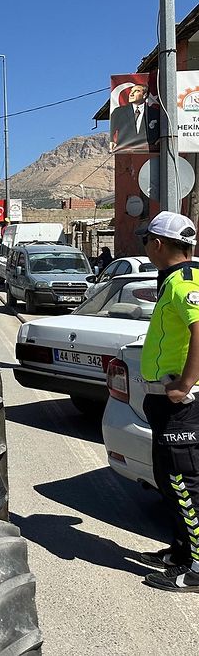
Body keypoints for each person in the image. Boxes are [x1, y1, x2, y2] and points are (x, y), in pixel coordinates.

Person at [134, 211, 199, 592]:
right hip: (165, 400)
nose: (146, 246)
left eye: (147, 240)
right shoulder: (175, 278)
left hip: (183, 403)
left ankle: (196, 567)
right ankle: (181, 551)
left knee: (185, 483)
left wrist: (186, 383)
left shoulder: (186, 281)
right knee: (168, 479)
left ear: (157, 244)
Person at [109, 83, 159, 153]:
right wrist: (111, 141)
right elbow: (113, 128)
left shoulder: (155, 113)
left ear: (144, 95)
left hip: (150, 152)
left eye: (136, 91)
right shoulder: (118, 112)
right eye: (131, 91)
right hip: (126, 152)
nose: (131, 94)